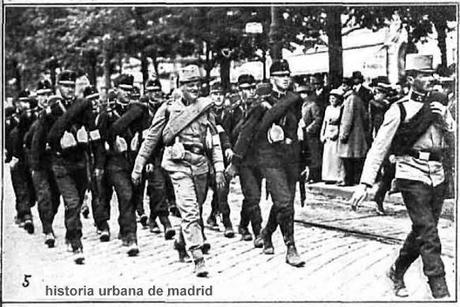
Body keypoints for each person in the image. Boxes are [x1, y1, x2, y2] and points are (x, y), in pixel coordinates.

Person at [351, 54, 454, 299]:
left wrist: (448, 122)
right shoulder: (399, 109)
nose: (431, 80)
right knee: (428, 231)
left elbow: (453, 143)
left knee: (422, 230)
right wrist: (365, 183)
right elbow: (379, 146)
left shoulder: (438, 106)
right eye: (424, 76)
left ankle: (397, 270)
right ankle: (440, 288)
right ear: (411, 79)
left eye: (431, 75)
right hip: (411, 172)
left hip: (437, 175)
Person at [132, 64, 226, 277]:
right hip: (178, 165)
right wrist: (138, 167)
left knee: (196, 209)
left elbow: (216, 141)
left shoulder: (206, 108)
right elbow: (150, 141)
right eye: (189, 84)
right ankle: (198, 256)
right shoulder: (167, 109)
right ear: (180, 86)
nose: (194, 88)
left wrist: (219, 168)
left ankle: (181, 242)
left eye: (197, 84)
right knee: (190, 210)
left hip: (201, 164)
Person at [227, 60, 305, 267]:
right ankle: (291, 246)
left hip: (289, 158)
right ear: (272, 79)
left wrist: (306, 161)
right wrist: (236, 162)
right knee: (284, 202)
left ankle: (267, 233)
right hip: (268, 158)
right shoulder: (262, 103)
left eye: (287, 75)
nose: (285, 79)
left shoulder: (294, 100)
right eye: (280, 76)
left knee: (283, 201)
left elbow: (296, 132)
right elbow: (246, 133)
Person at [47, 70, 104, 264]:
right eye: (65, 86)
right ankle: (76, 242)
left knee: (78, 202)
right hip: (61, 162)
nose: (69, 90)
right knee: (71, 203)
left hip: (80, 161)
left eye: (72, 86)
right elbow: (47, 138)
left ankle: (70, 232)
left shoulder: (84, 106)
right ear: (58, 88)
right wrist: (59, 140)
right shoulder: (52, 109)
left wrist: (89, 145)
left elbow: (93, 132)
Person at [141, 78, 176, 239]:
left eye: (157, 91)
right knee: (158, 186)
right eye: (151, 91)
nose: (155, 94)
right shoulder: (142, 110)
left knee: (164, 188)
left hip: (166, 152)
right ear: (146, 93)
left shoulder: (168, 108)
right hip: (151, 156)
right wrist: (147, 160)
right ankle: (165, 221)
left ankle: (152, 218)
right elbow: (145, 139)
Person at [9, 90, 37, 233]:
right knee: (21, 189)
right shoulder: (11, 119)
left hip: (31, 158)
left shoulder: (34, 118)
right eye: (23, 102)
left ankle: (22, 212)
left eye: (27, 101)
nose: (25, 105)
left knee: (32, 192)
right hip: (17, 158)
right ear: (17, 103)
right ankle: (26, 216)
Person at [338, 77, 369, 186]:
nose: (342, 88)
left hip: (351, 135)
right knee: (353, 157)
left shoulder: (350, 99)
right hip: (357, 133)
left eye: (344, 85)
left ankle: (348, 180)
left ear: (349, 87)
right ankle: (353, 179)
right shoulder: (356, 98)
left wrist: (343, 134)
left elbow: (347, 118)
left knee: (347, 157)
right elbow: (365, 116)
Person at [297, 83, 322, 183]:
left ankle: (314, 176)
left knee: (313, 155)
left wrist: (309, 128)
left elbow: (317, 119)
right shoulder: (300, 106)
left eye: (304, 93)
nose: (302, 96)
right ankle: (305, 175)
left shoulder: (312, 105)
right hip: (301, 134)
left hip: (310, 135)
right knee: (305, 155)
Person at [320, 88, 345, 184]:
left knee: (335, 156)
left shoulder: (340, 109)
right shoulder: (328, 108)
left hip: (336, 132)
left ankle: (335, 176)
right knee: (327, 156)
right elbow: (324, 122)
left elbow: (341, 123)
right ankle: (327, 176)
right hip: (328, 132)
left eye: (334, 99)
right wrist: (322, 134)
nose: (332, 101)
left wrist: (336, 133)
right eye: (330, 99)